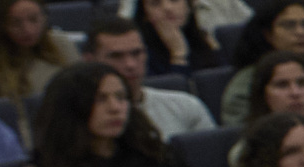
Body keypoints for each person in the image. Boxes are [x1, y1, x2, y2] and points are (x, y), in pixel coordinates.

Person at [15, 62, 204, 167]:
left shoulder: (154, 153)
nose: (115, 108)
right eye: (100, 99)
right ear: (72, 107)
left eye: (121, 97)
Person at [82, 17, 211, 142]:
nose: (130, 64)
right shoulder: (77, 119)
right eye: (116, 56)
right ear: (90, 61)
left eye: (136, 53)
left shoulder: (186, 106)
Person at [0, 0, 70, 102]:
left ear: (44, 17)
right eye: (15, 23)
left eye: (34, 19)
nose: (28, 30)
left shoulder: (60, 44)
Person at [131, 0, 224, 84]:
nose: (167, 8)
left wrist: (215, 50)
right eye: (155, 3)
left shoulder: (204, 39)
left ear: (188, 6)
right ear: (145, 15)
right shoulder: (139, 52)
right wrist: (178, 55)